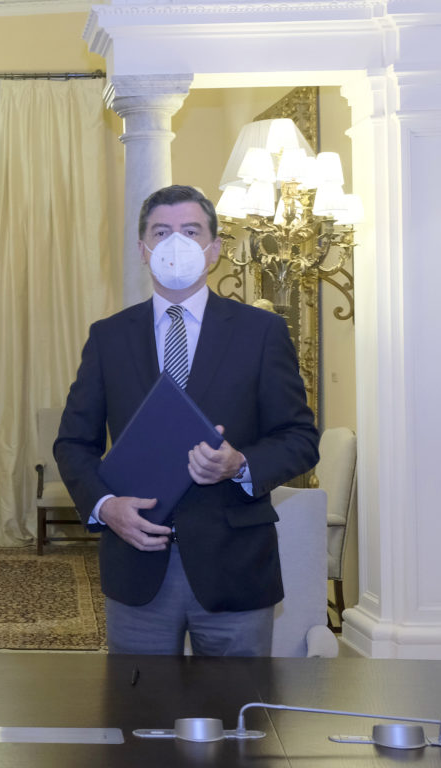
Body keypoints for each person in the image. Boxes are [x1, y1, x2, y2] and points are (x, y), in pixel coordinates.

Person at [54, 184, 318, 656]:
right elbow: (73, 443)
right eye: (162, 232)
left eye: (191, 231)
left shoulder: (261, 332)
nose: (176, 243)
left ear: (214, 249)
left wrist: (240, 464)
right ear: (143, 249)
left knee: (239, 703)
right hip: (136, 566)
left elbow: (299, 438)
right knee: (137, 702)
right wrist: (105, 506)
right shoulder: (109, 337)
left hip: (235, 567)